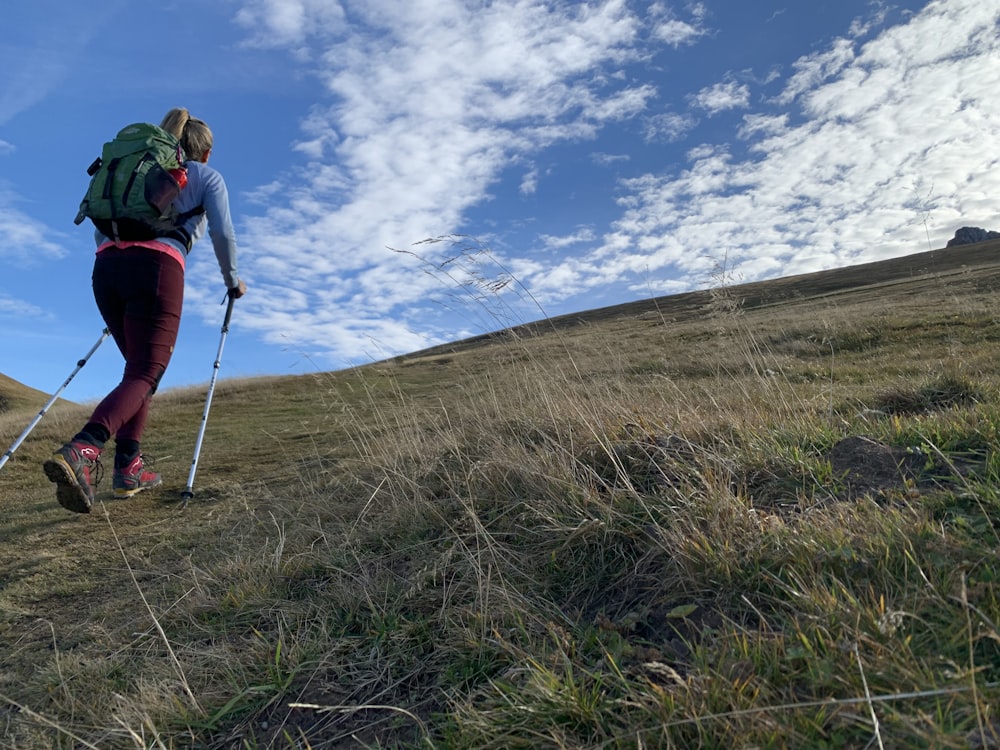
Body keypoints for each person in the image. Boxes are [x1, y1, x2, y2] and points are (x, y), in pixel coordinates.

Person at [43, 107, 247, 513]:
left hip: (106, 270)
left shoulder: (133, 172)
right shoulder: (206, 176)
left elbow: (103, 225)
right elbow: (223, 233)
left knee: (137, 372)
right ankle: (84, 449)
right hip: (158, 271)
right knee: (145, 372)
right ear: (204, 153)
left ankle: (128, 469)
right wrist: (232, 281)